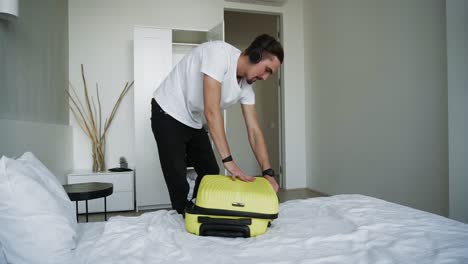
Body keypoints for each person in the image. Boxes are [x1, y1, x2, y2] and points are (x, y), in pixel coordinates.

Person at [151, 34, 283, 214]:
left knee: (210, 171)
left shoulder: (246, 88)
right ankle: (184, 213)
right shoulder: (219, 54)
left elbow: (254, 131)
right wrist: (228, 161)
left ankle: (198, 207)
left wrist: (268, 172)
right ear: (256, 55)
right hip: (167, 110)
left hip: (192, 118)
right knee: (178, 181)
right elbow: (211, 111)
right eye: (267, 70)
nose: (266, 77)